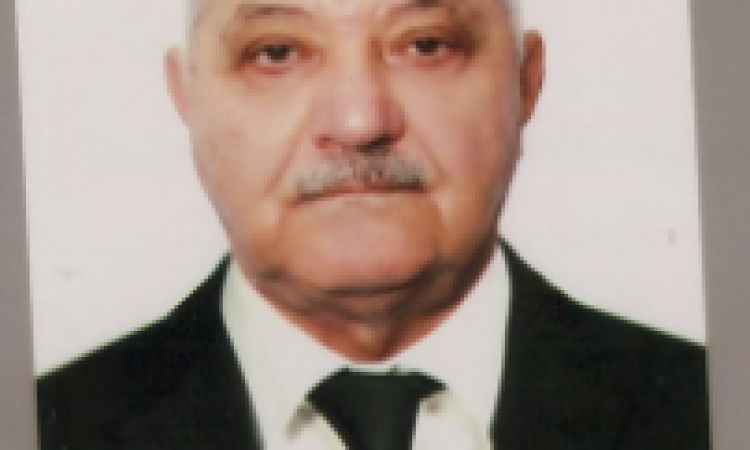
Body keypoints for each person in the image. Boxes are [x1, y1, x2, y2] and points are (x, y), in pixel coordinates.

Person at [36, 0, 710, 449]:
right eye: (277, 53)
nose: (360, 122)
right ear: (188, 98)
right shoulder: (46, 428)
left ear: (525, 82)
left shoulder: (709, 410)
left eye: (426, 45)